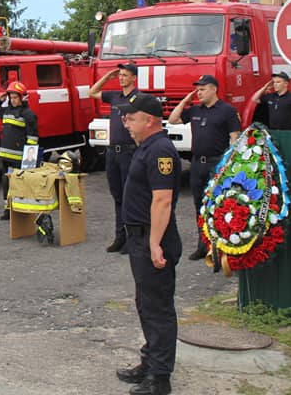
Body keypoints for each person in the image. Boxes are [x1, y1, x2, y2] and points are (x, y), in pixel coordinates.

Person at [116, 92, 181, 395]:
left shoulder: (161, 151)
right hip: (140, 236)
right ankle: (150, 363)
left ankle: (160, 379)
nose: (126, 122)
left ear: (149, 119)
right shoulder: (147, 147)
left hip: (153, 238)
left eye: (131, 117)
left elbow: (162, 200)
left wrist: (155, 244)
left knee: (158, 308)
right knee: (145, 304)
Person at [168, 74, 240, 260]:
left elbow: (234, 137)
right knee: (199, 205)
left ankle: (219, 246)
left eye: (203, 89)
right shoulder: (194, 110)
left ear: (214, 89)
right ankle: (203, 244)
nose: (199, 92)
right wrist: (186, 100)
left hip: (216, 163)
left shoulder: (227, 111)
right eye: (197, 89)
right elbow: (172, 119)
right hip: (197, 163)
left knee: (217, 205)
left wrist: (229, 164)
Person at [89, 62, 140, 253]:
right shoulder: (115, 96)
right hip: (113, 152)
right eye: (120, 75)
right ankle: (120, 236)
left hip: (129, 151)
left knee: (130, 196)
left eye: (125, 75)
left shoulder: (138, 98)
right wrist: (107, 78)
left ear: (134, 78)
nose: (121, 78)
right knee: (117, 196)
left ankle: (131, 238)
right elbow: (92, 92)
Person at [0, 80, 38, 220]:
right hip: (5, 156)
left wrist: (29, 161)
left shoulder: (28, 114)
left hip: (19, 158)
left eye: (15, 97)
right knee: (6, 184)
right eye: (11, 97)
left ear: (23, 97)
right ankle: (8, 210)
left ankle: (20, 210)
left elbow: (33, 139)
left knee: (19, 185)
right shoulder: (7, 111)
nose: (13, 100)